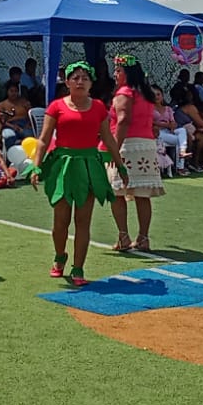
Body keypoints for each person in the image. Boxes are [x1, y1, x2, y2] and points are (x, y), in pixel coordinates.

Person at [34, 61, 127, 287]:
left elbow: (108, 139)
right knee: (60, 222)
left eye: (85, 78)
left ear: (91, 84)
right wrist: (36, 166)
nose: (80, 82)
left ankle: (78, 267)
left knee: (83, 222)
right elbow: (44, 139)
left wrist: (120, 165)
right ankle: (60, 256)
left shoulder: (98, 107)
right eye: (75, 78)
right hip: (63, 167)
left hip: (89, 166)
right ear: (67, 82)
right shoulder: (56, 106)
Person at [107, 54, 165, 252]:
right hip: (146, 145)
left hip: (127, 145)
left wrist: (115, 148)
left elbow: (123, 120)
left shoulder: (124, 93)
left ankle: (124, 236)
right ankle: (143, 237)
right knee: (142, 194)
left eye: (118, 70)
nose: (115, 74)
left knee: (117, 192)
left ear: (127, 73)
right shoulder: (145, 94)